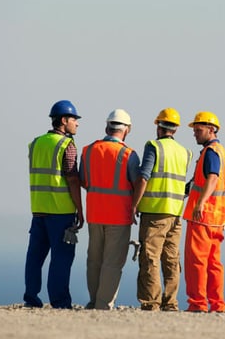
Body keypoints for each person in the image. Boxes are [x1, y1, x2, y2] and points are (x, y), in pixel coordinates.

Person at [23, 100, 85, 309]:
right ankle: (59, 302)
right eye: (74, 119)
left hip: (38, 209)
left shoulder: (36, 143)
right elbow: (72, 179)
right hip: (61, 211)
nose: (77, 124)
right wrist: (80, 210)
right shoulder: (66, 145)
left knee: (35, 257)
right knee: (62, 259)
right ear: (64, 120)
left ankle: (31, 298)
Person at [131, 108, 192, 311]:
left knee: (150, 257)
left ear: (159, 126)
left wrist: (134, 204)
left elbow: (144, 177)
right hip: (175, 214)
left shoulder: (154, 147)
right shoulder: (185, 152)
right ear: (175, 129)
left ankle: (151, 302)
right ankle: (171, 303)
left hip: (155, 212)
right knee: (171, 259)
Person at [80, 109, 141, 310]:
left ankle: (93, 300)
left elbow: (84, 180)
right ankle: (103, 304)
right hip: (119, 216)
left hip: (95, 214)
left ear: (107, 127)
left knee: (94, 259)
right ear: (127, 130)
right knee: (112, 263)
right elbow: (136, 184)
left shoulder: (88, 150)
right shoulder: (129, 155)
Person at [183, 111, 225, 313]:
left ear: (211, 129)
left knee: (196, 262)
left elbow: (213, 179)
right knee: (214, 264)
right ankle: (217, 305)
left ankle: (198, 304)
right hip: (217, 219)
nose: (195, 134)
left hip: (202, 217)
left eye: (198, 130)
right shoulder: (222, 152)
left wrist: (199, 204)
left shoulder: (211, 153)